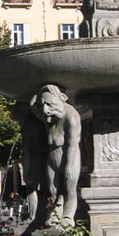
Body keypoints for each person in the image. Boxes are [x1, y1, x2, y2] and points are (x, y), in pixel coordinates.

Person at [30, 84, 82, 227]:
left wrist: (69, 165)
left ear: (62, 99)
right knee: (53, 190)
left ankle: (68, 216)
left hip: (67, 155)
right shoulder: (50, 117)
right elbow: (32, 105)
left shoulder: (71, 116)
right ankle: (56, 213)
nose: (45, 109)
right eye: (43, 105)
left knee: (69, 188)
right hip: (52, 156)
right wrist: (44, 88)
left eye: (49, 104)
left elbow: (72, 145)